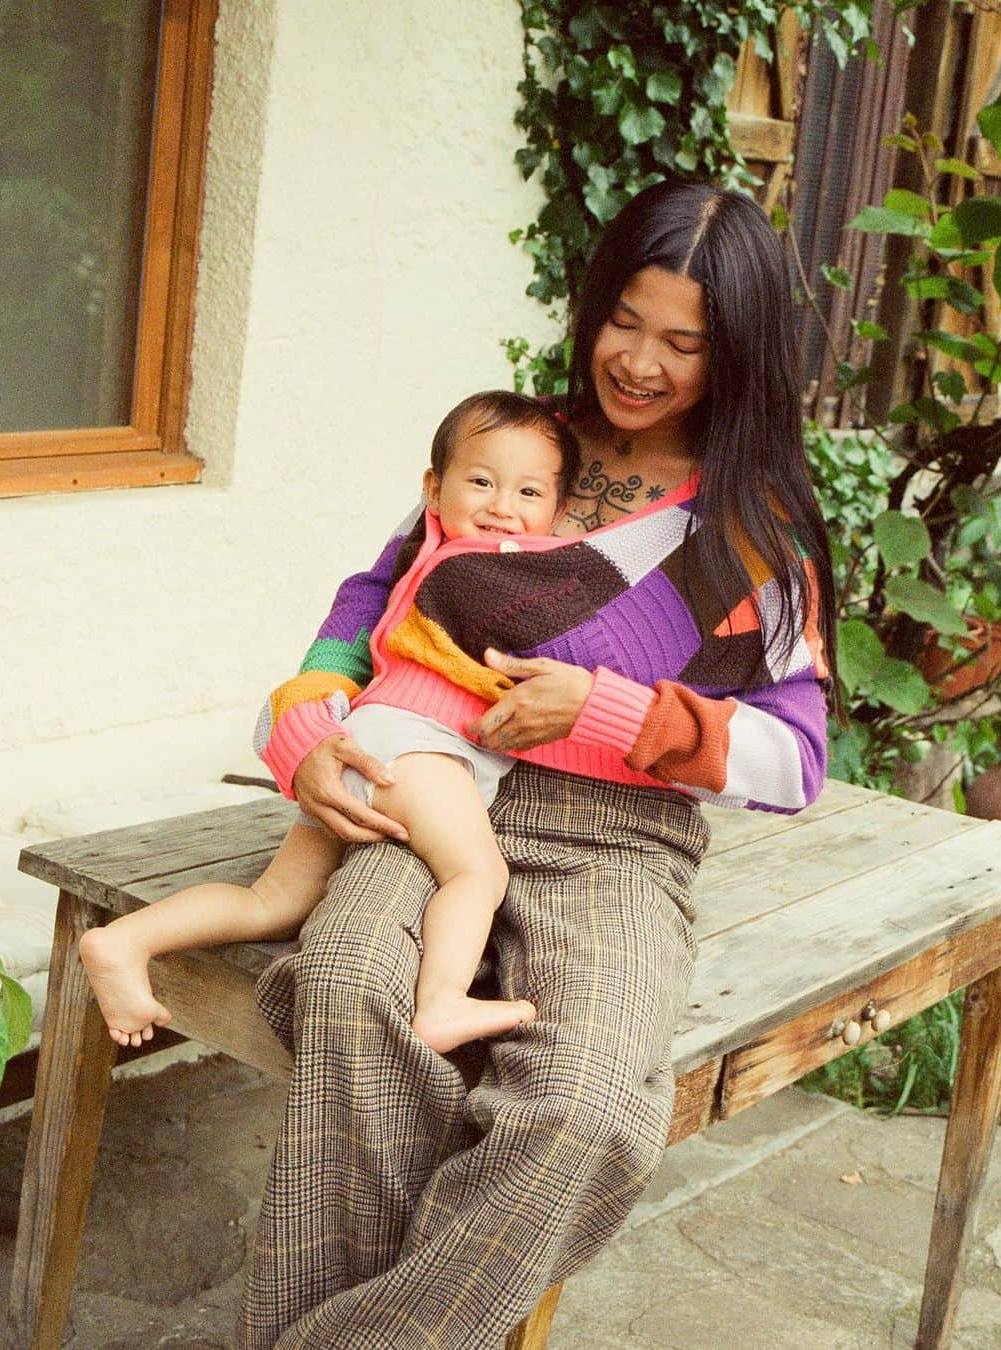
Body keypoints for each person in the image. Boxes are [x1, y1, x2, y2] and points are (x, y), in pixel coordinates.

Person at [238, 181, 839, 1349]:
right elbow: (372, 607)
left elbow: (796, 761)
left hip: (619, 838)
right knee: (356, 992)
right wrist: (306, 726)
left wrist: (616, 709)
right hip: (430, 790)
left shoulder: (752, 528)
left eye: (686, 343)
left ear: (740, 354)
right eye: (627, 320)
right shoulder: (521, 455)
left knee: (589, 1114)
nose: (643, 363)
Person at [78, 391, 583, 1056]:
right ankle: (440, 1002)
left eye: (527, 491)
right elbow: (530, 654)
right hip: (417, 749)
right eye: (481, 482)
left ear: (556, 505)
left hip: (362, 738)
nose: (501, 507)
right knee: (476, 876)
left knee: (271, 901)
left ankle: (125, 941)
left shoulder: (431, 551)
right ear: (434, 490)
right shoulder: (486, 569)